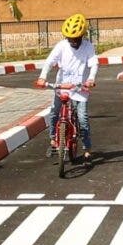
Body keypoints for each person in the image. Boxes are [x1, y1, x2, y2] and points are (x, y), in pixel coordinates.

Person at [35, 13, 98, 162]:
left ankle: (87, 148)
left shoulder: (88, 47)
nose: (73, 41)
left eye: (75, 38)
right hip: (62, 86)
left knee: (82, 119)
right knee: (54, 113)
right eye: (70, 38)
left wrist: (91, 78)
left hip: (80, 88)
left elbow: (93, 64)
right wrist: (42, 77)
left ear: (82, 36)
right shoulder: (62, 46)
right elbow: (50, 62)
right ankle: (53, 139)